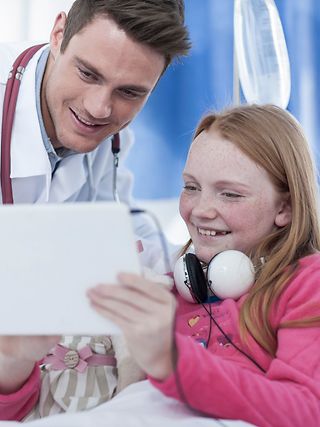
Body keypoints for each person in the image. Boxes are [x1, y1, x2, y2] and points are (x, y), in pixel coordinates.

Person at [0, 0, 190, 420]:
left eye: (130, 92)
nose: (99, 108)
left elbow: (116, 233)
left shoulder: (114, 141)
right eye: (88, 74)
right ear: (58, 34)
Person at [87, 104, 320, 427]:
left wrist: (171, 359)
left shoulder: (307, 284)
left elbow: (307, 412)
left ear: (285, 207)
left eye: (229, 194)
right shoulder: (171, 291)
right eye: (191, 187)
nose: (201, 210)